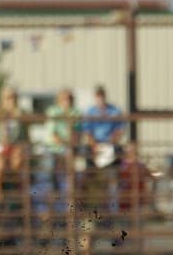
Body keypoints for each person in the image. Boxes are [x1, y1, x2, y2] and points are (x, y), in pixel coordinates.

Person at [82, 85, 124, 213]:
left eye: (101, 96)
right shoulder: (90, 112)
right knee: (93, 181)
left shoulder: (114, 111)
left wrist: (109, 144)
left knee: (112, 180)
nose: (100, 99)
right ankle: (95, 210)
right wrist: (95, 146)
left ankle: (112, 210)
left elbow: (120, 130)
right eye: (98, 96)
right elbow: (87, 132)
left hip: (109, 148)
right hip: (94, 150)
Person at [0, 86, 29, 200]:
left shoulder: (21, 113)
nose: (11, 100)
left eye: (13, 97)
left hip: (16, 145)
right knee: (0, 165)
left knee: (17, 161)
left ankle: (16, 191)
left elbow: (26, 132)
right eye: (8, 97)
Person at [42, 88, 81, 204]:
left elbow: (77, 132)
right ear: (59, 100)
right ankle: (53, 195)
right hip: (53, 148)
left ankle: (71, 196)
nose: (67, 101)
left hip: (69, 148)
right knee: (50, 170)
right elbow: (52, 134)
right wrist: (65, 144)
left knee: (71, 169)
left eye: (69, 99)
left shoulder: (76, 112)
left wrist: (69, 144)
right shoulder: (53, 111)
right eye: (64, 99)